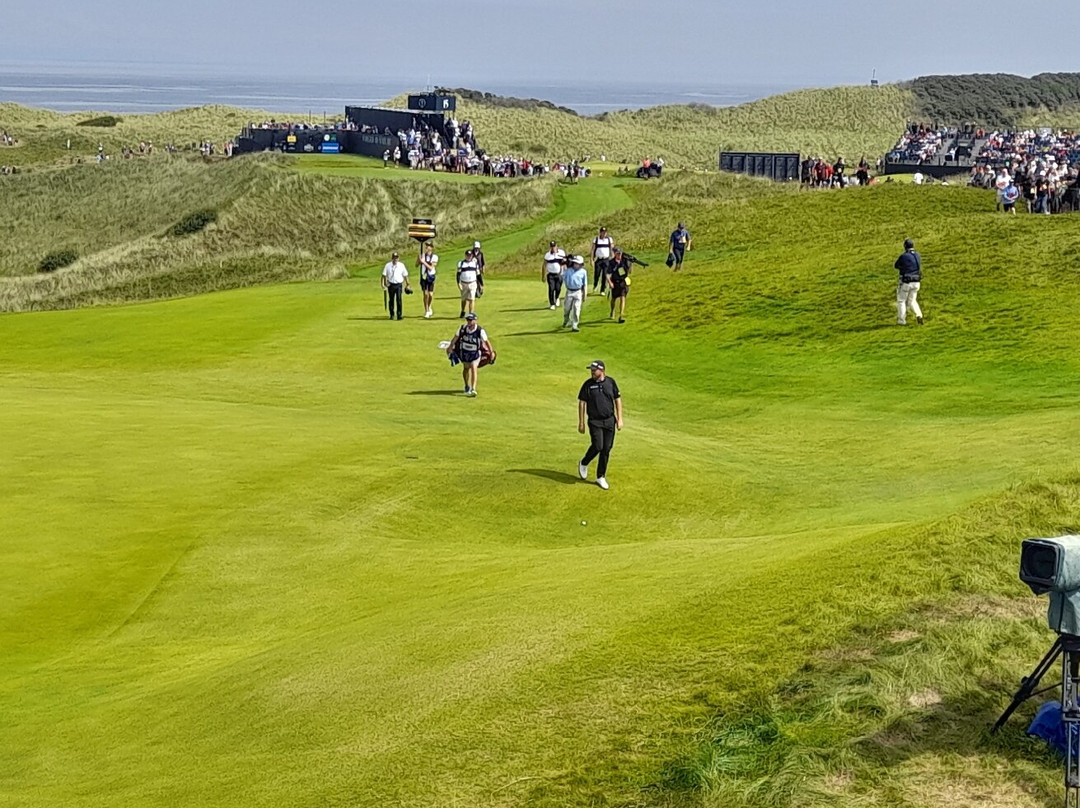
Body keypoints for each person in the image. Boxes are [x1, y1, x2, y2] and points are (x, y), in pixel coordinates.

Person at [577, 360, 622, 491]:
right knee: (598, 446)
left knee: (606, 448)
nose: (592, 372)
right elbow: (582, 403)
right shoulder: (588, 385)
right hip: (595, 421)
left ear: (602, 370)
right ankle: (584, 462)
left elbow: (617, 400)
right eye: (591, 370)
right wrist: (581, 422)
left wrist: (620, 419)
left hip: (609, 421)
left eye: (594, 370)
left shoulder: (610, 382)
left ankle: (600, 476)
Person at [448, 312, 491, 396]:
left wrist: (491, 352)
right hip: (465, 353)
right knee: (466, 369)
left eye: (471, 320)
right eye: (468, 320)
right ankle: (467, 386)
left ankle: (473, 389)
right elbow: (455, 338)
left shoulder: (479, 330)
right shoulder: (462, 328)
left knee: (473, 367)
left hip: (475, 353)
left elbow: (487, 342)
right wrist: (450, 347)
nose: (469, 322)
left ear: (475, 320)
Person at [894, 238, 923, 326]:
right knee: (912, 300)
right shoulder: (918, 255)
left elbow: (896, 265)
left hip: (907, 282)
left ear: (905, 246)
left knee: (901, 301)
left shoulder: (904, 256)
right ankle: (919, 315)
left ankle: (901, 321)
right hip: (917, 281)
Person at [561, 254, 588, 331]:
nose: (576, 265)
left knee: (576, 309)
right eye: (575, 263)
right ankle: (566, 320)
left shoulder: (583, 272)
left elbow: (585, 284)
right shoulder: (568, 270)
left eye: (578, 263)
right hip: (569, 291)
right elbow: (562, 276)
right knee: (567, 309)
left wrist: (585, 294)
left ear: (581, 264)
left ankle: (575, 325)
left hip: (578, 292)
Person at [381, 251, 410, 320]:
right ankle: (392, 314)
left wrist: (408, 284)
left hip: (399, 284)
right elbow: (383, 275)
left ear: (398, 258)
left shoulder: (401, 265)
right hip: (391, 285)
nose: (395, 259)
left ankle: (399, 315)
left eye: (396, 258)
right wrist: (383, 284)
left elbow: (405, 275)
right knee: (391, 300)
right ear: (392, 258)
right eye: (394, 258)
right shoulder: (388, 265)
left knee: (399, 299)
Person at [608, 246, 631, 323]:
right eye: (617, 254)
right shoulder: (611, 262)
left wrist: (629, 263)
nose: (619, 255)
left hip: (623, 282)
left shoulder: (625, 261)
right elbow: (608, 274)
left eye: (620, 253)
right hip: (615, 282)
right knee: (614, 298)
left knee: (623, 297)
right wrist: (610, 282)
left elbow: (629, 271)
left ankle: (621, 315)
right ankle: (612, 310)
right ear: (615, 254)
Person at [542, 240, 566, 309]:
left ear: (556, 246)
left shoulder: (561, 253)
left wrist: (565, 272)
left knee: (558, 288)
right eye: (552, 247)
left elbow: (564, 263)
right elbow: (544, 265)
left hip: (559, 274)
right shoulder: (547, 255)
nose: (553, 248)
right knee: (551, 288)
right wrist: (543, 276)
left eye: (554, 246)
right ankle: (552, 304)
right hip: (551, 275)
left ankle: (557, 297)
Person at [457, 248, 480, 318]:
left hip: (472, 283)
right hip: (464, 283)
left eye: (470, 255)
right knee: (464, 299)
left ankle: (471, 314)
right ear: (465, 255)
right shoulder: (461, 263)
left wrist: (480, 284)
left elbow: (478, 275)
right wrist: (458, 283)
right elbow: (458, 274)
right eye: (467, 255)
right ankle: (463, 310)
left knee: (472, 299)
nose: (469, 257)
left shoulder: (475, 264)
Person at [417, 242, 439, 318]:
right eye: (426, 246)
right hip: (423, 276)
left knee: (430, 294)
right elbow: (416, 265)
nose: (426, 247)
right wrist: (419, 260)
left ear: (431, 248)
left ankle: (429, 306)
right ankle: (426, 310)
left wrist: (423, 262)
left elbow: (431, 267)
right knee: (425, 294)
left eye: (428, 246)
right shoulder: (423, 255)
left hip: (431, 276)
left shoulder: (434, 257)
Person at [592, 226, 614, 294]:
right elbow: (593, 250)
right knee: (597, 274)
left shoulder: (609, 239)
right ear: (600, 233)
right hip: (599, 259)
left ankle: (602, 290)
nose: (604, 234)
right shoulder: (596, 239)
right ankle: (595, 285)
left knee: (605, 275)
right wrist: (591, 259)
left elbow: (612, 248)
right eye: (602, 232)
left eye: (605, 232)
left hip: (606, 259)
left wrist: (612, 256)